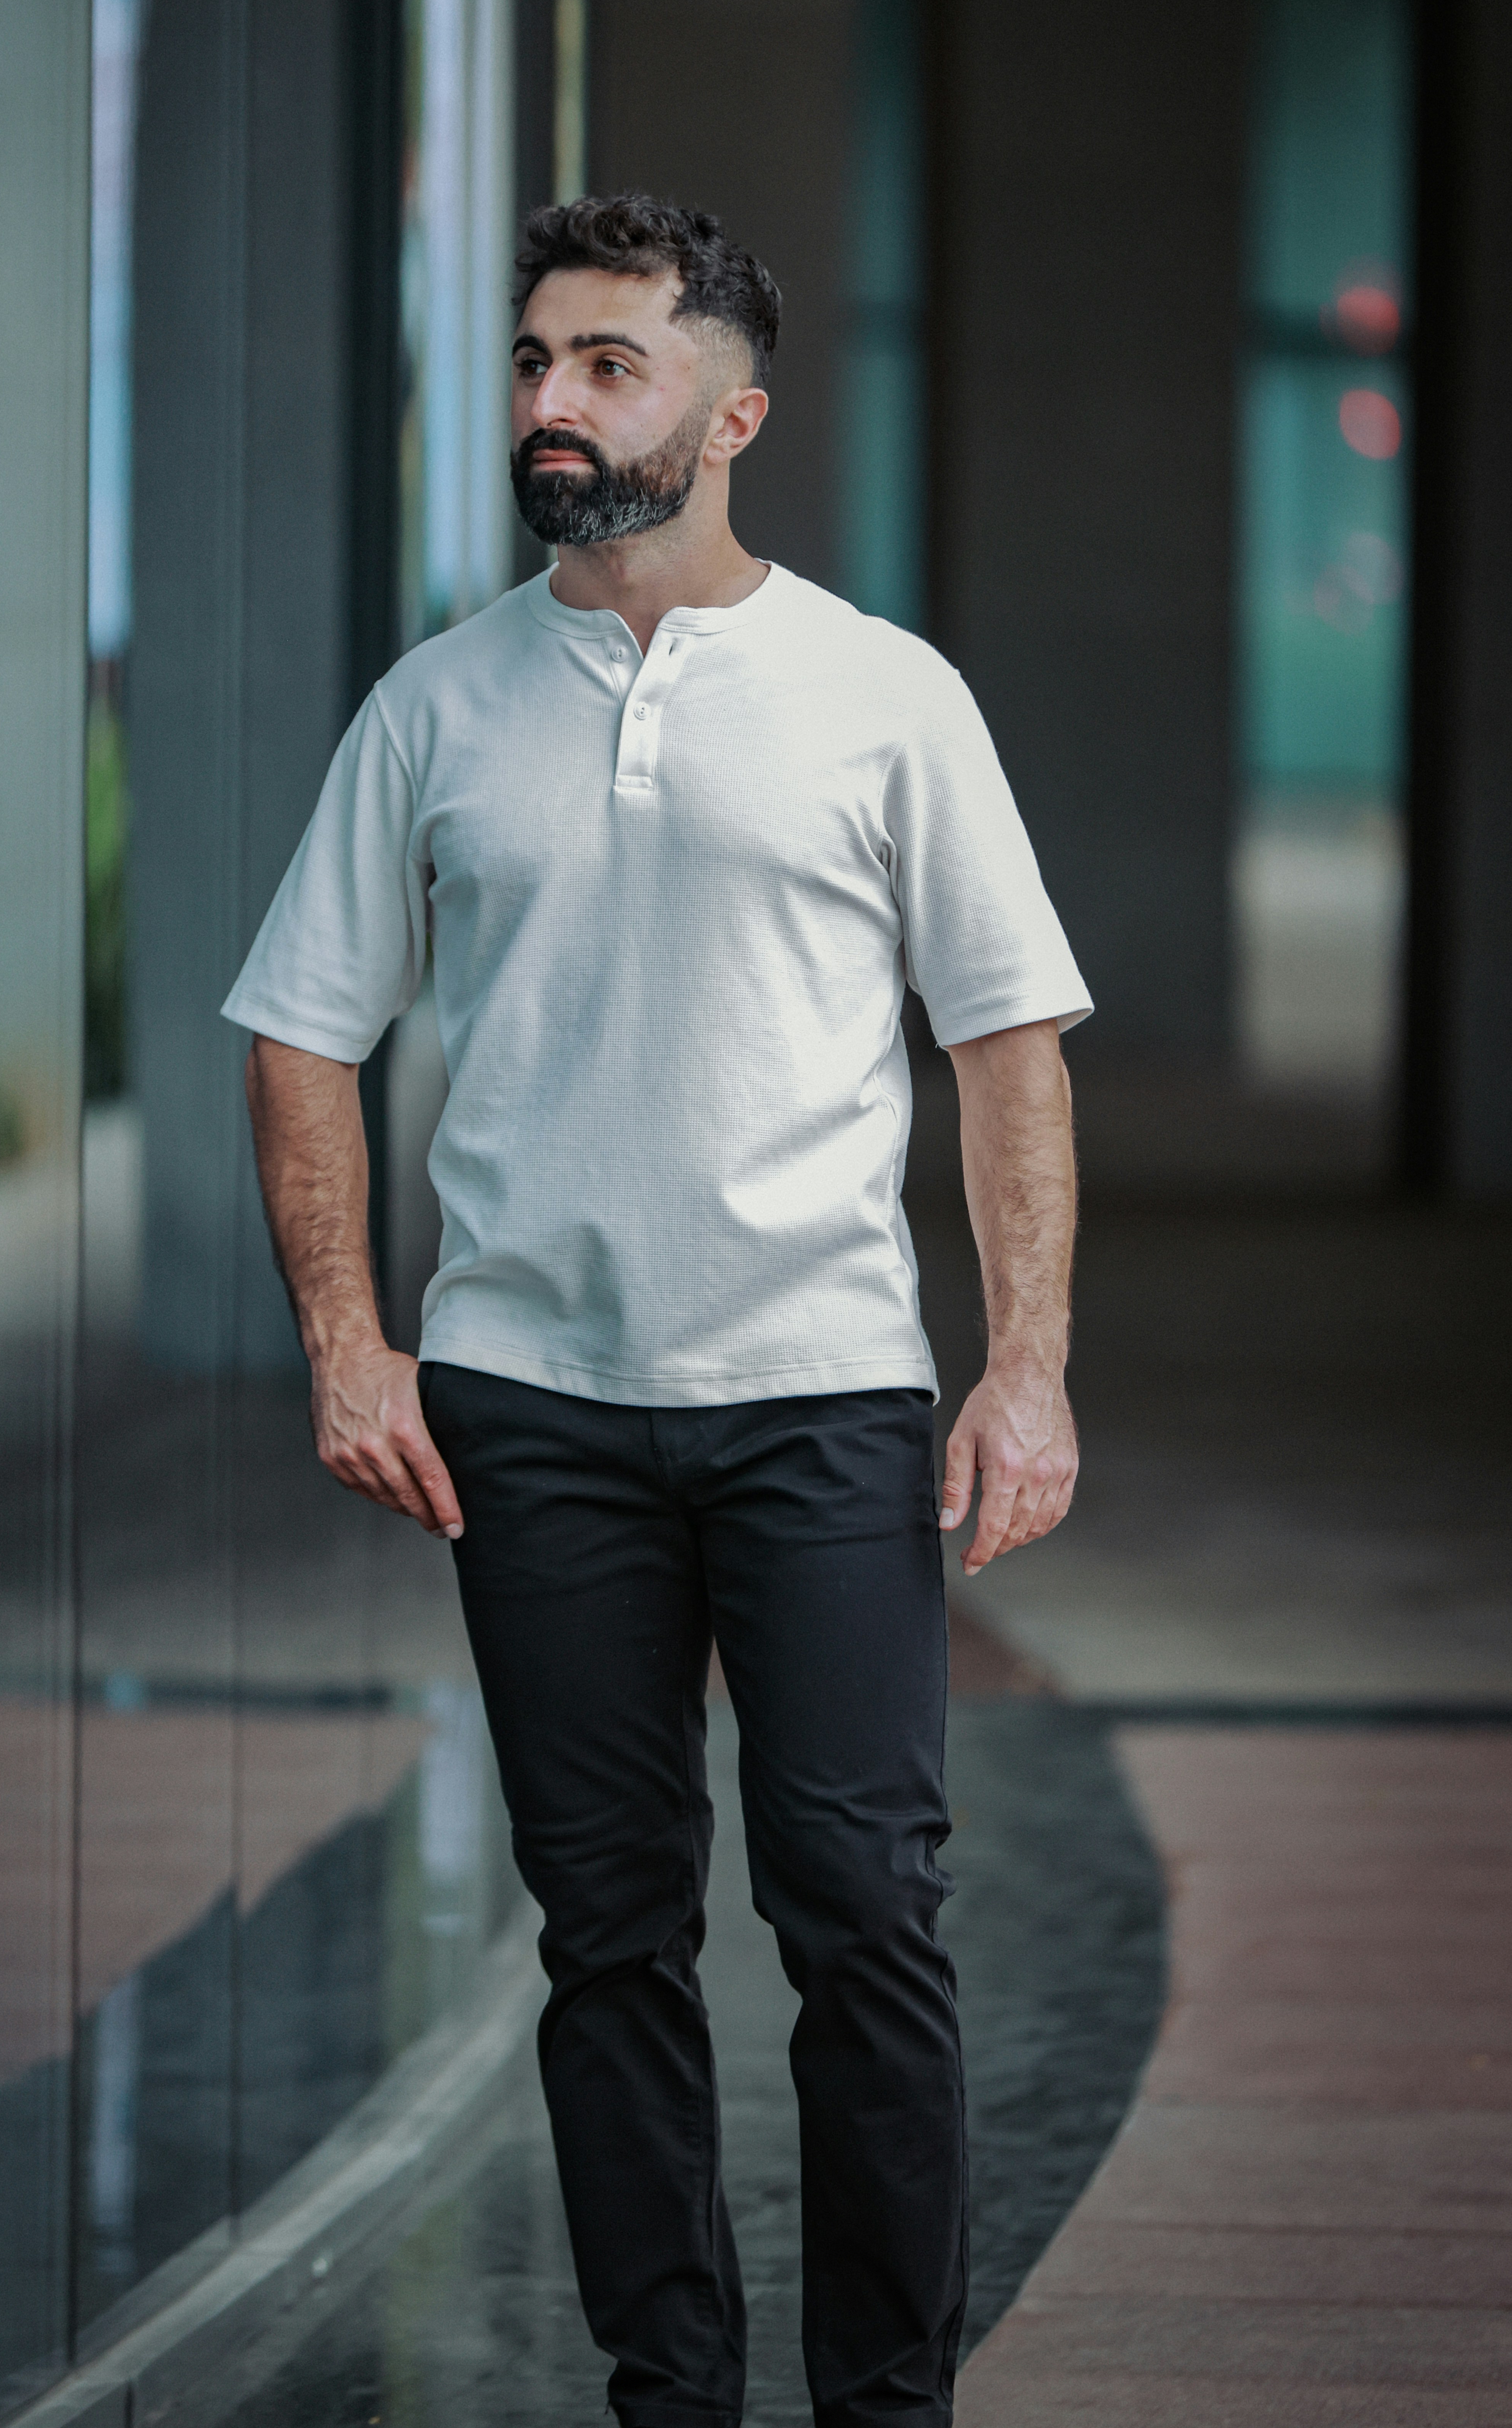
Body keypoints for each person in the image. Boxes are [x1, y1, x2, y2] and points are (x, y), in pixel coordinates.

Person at [224, 192, 1089, 2428]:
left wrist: (1024, 1370)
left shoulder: (887, 696)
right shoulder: (436, 705)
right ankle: (668, 2399)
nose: (554, 401)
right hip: (531, 1409)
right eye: (536, 360)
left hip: (820, 1392)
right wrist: (349, 1338)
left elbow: (1008, 1048)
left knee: (864, 1915)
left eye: (610, 364)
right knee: (607, 1938)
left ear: (733, 414)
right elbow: (301, 1031)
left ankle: (887, 2406)